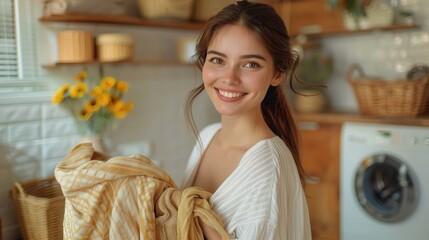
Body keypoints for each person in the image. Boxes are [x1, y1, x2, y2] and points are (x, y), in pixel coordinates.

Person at [181, 1, 312, 239]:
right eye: (218, 60)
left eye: (250, 64)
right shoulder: (208, 136)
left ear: (277, 73)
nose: (229, 78)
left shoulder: (266, 167)